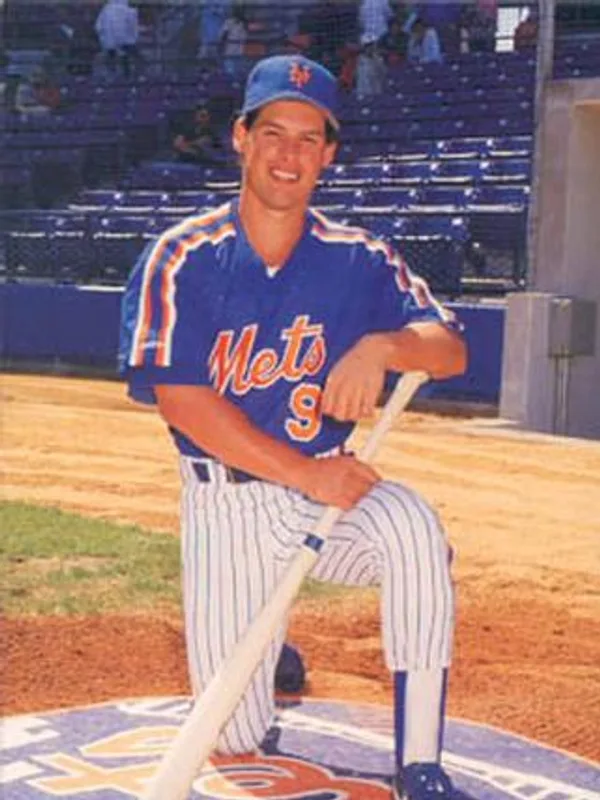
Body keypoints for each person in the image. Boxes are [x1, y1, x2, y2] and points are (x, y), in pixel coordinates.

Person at [119, 54, 471, 800]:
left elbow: (450, 347)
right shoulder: (180, 257)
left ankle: (421, 764)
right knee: (236, 736)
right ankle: (267, 649)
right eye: (273, 132)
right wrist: (307, 474)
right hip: (230, 504)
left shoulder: (358, 257)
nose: (290, 153)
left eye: (310, 138)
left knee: (412, 528)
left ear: (329, 153)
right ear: (241, 138)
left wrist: (383, 347)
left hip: (329, 496)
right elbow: (181, 399)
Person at [94, 0, 139, 78]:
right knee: (124, 56)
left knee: (113, 55)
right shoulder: (128, 10)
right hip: (124, 40)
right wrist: (133, 37)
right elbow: (132, 26)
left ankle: (113, 73)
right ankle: (126, 74)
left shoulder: (106, 10)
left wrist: (102, 36)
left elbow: (98, 26)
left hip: (110, 40)